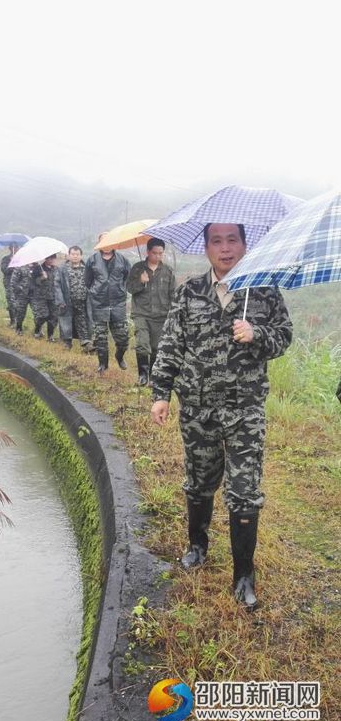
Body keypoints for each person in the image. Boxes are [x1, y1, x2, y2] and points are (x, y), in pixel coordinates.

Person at [150, 223, 293, 611]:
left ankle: (243, 575)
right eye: (217, 241)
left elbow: (284, 336)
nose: (225, 249)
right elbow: (171, 344)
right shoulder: (190, 291)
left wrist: (257, 334)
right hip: (198, 409)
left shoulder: (262, 290)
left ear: (245, 245)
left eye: (233, 240)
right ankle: (197, 546)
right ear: (206, 246)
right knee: (199, 482)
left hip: (244, 410)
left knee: (244, 491)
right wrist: (161, 394)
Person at [127, 238, 177, 385]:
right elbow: (129, 288)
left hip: (161, 315)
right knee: (142, 345)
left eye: (161, 253)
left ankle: (152, 376)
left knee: (156, 348)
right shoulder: (137, 268)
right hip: (141, 313)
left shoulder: (168, 271)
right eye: (155, 253)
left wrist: (173, 314)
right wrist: (140, 282)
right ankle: (142, 376)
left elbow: (173, 294)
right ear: (148, 252)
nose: (158, 256)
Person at [85, 235, 131, 373]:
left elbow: (128, 278)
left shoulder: (123, 260)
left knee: (123, 338)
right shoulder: (92, 260)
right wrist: (96, 291)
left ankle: (119, 356)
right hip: (99, 304)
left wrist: (121, 289)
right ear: (99, 243)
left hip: (118, 304)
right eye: (103, 241)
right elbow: (88, 281)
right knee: (100, 338)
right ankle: (103, 364)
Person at [54, 245, 94, 352]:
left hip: (83, 302)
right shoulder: (62, 269)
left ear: (81, 256)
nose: (75, 256)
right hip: (67, 302)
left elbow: (92, 284)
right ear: (69, 255)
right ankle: (66, 343)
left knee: (83, 322)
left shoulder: (87, 269)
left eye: (77, 254)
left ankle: (86, 344)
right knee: (66, 322)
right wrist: (60, 300)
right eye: (73, 254)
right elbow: (57, 285)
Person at [31, 254, 58, 340]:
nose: (51, 260)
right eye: (49, 258)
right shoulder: (38, 268)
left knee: (53, 317)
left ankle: (50, 336)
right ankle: (37, 330)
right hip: (41, 297)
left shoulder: (56, 269)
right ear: (46, 259)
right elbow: (33, 282)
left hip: (53, 296)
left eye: (53, 258)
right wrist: (42, 277)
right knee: (43, 316)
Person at [11, 263, 33, 335]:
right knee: (20, 313)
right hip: (22, 295)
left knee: (39, 314)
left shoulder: (38, 267)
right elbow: (13, 282)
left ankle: (38, 330)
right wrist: (20, 288)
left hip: (34, 295)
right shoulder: (20, 267)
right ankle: (19, 328)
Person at [0, 245, 18, 327]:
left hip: (20, 284)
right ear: (10, 248)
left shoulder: (21, 258)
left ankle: (18, 322)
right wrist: (11, 264)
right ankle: (13, 321)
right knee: (11, 302)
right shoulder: (5, 259)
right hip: (9, 283)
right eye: (13, 247)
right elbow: (4, 270)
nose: (15, 249)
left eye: (16, 247)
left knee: (19, 303)